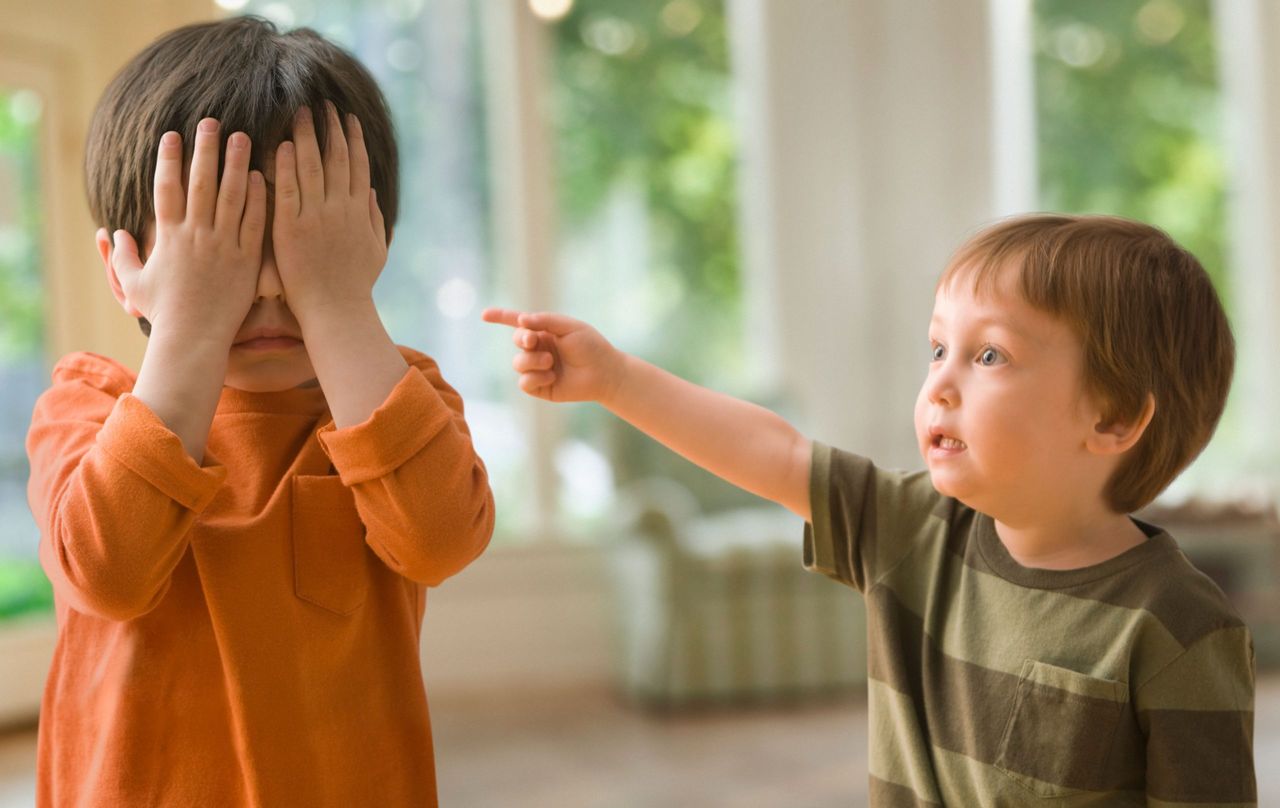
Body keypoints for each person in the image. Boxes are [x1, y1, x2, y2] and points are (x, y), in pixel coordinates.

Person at [483, 213, 1256, 805]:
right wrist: (615, 380)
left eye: (989, 355)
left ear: (1114, 419)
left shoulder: (1179, 627)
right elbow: (776, 453)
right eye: (938, 348)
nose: (942, 383)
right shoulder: (910, 528)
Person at [26, 17, 493, 807]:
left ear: (368, 242)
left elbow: (441, 541)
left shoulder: (397, 398)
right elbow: (108, 574)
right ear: (124, 269)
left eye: (302, 242)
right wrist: (193, 325)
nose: (271, 287)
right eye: (224, 247)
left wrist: (339, 308)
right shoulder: (86, 407)